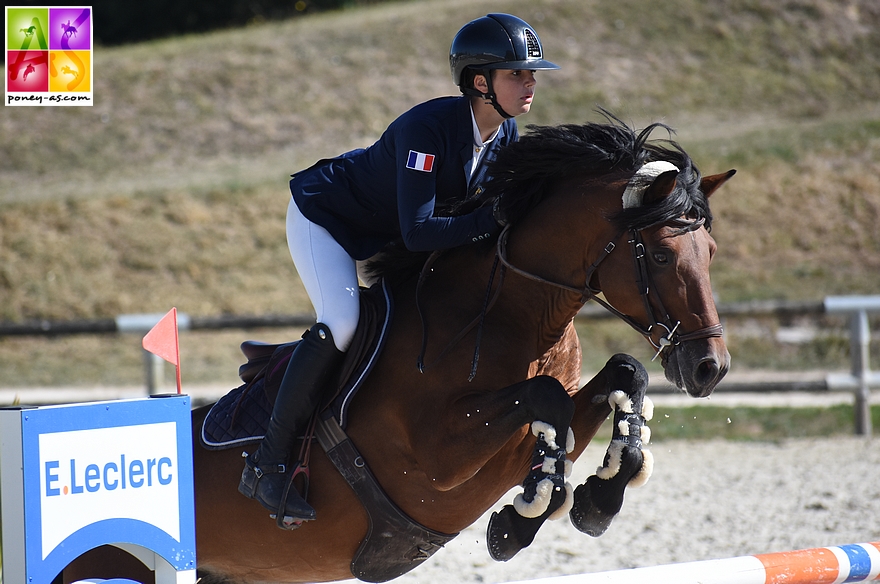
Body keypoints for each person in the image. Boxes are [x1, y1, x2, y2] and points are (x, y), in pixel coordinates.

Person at [239, 13, 560, 529]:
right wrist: (489, 219)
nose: (530, 83)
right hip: (326, 220)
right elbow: (420, 232)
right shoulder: (426, 130)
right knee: (342, 322)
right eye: (517, 74)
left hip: (382, 235)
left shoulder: (506, 135)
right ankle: (268, 464)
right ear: (480, 82)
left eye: (531, 74)